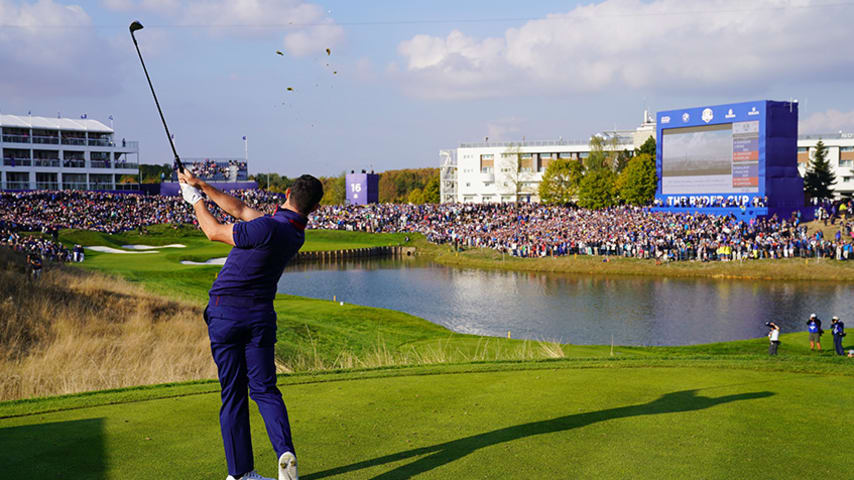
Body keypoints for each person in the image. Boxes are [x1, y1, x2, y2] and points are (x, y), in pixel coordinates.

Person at [179, 169, 322, 480]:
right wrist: (202, 185)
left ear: (286, 193)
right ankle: (285, 452)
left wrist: (194, 201)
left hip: (226, 313)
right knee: (265, 389)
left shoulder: (267, 228)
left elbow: (214, 231)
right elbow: (241, 210)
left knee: (233, 393)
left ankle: (240, 473)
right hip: (260, 318)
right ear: (314, 209)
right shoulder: (293, 232)